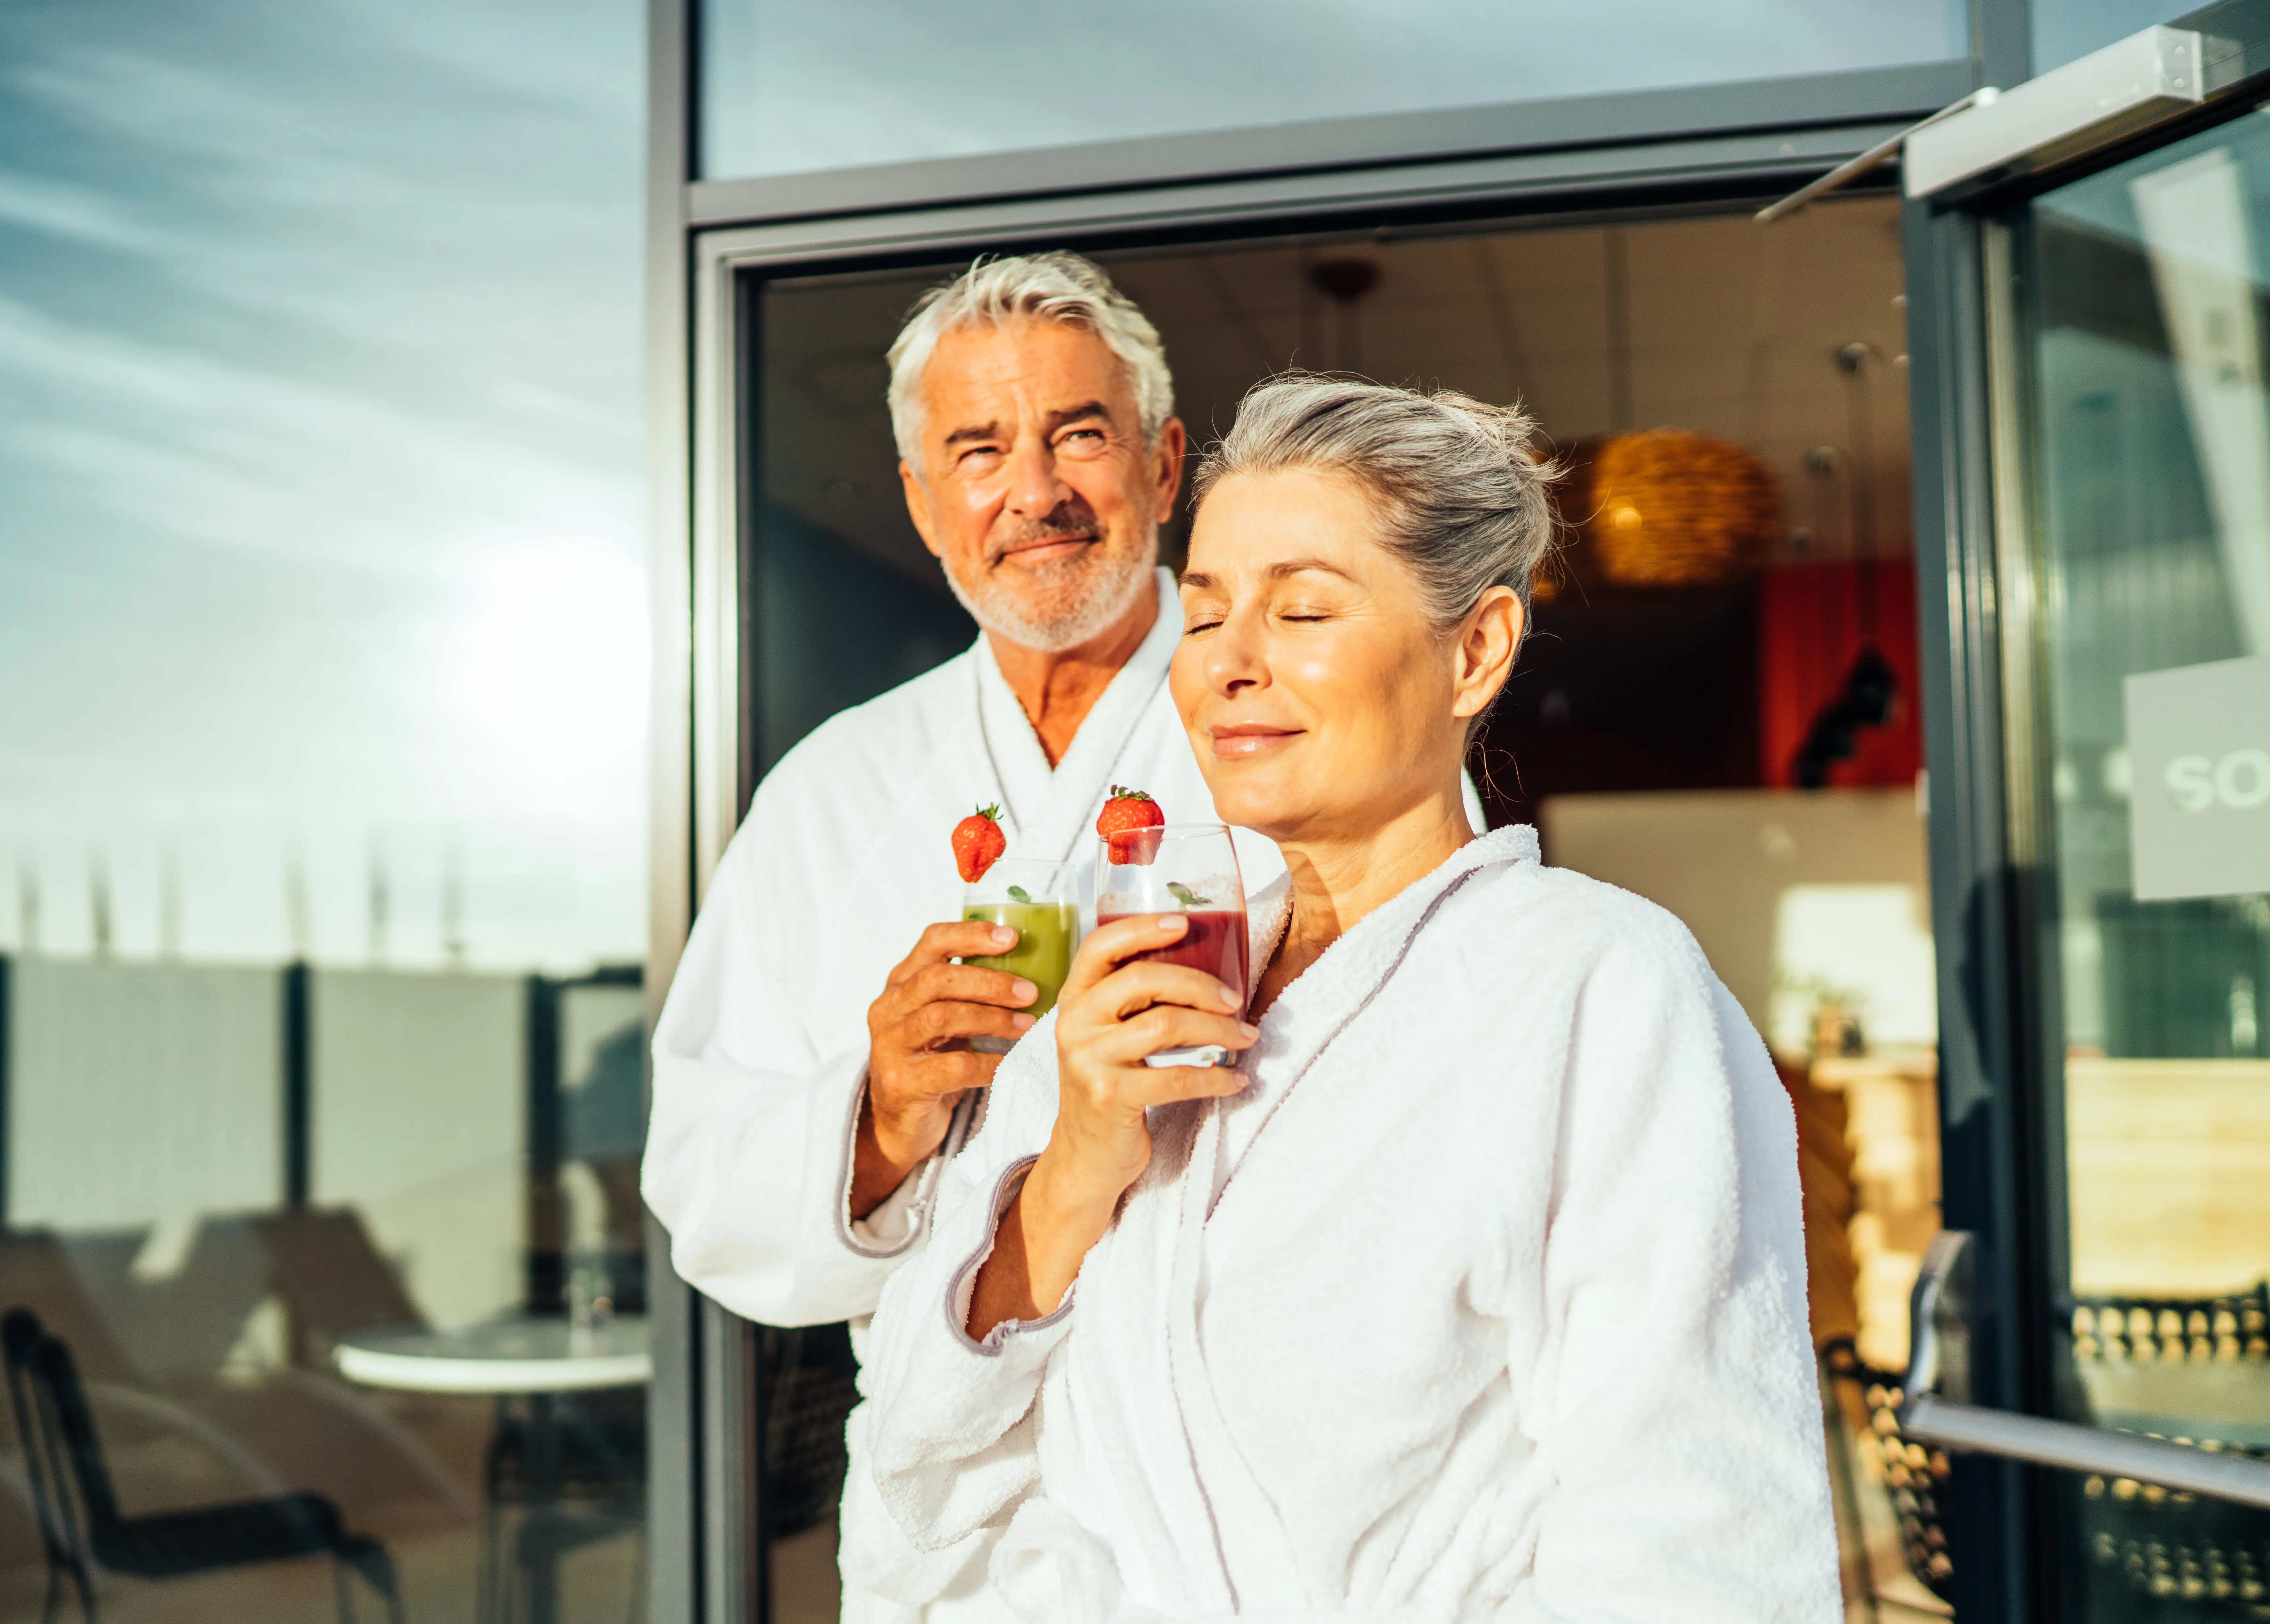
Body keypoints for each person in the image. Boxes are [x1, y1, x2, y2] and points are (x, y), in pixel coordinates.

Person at [863, 377, 1842, 1622]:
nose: (1230, 665)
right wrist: (1069, 1173)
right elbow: (913, 1453)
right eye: (1205, 615)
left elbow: (1693, 1533)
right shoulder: (1141, 968)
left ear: (1474, 651)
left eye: (1304, 608)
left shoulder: (1597, 987)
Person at [643, 252, 1290, 1620]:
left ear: (1165, 466)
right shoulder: (837, 788)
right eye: (977, 449)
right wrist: (877, 1115)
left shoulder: (1299, 721)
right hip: (957, 1534)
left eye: (1077, 435)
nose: (1032, 491)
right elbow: (699, 1178)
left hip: (1251, 1497)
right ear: (923, 503)